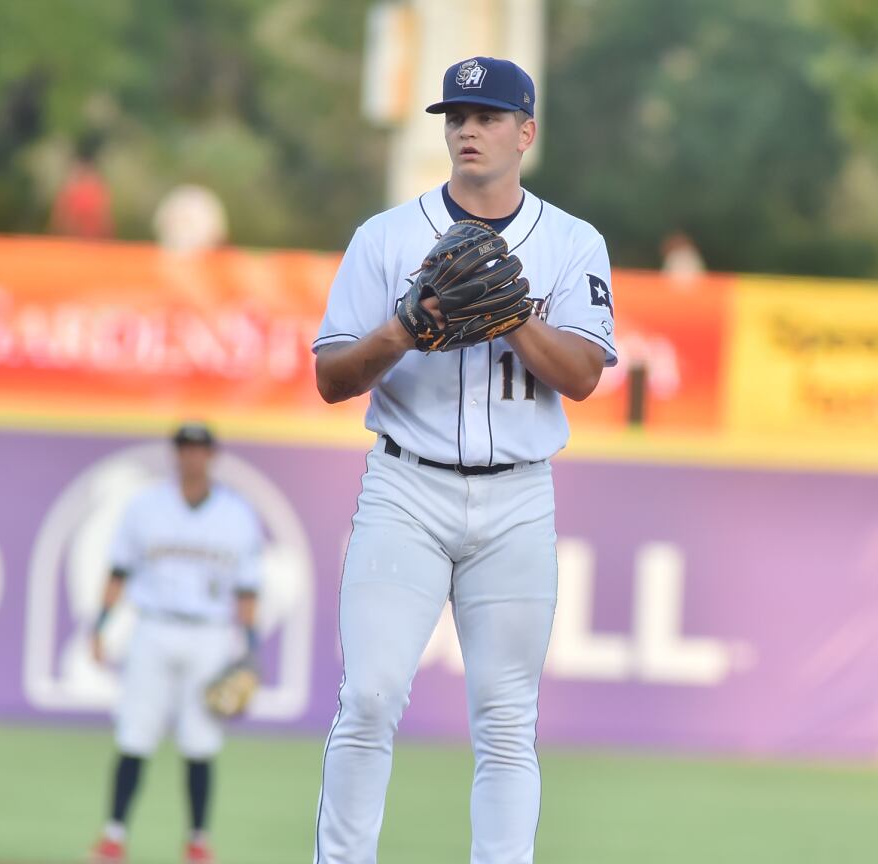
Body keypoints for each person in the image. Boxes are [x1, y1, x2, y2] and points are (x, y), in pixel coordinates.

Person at [310, 57, 617, 864]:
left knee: (508, 717)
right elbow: (331, 377)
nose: (467, 129)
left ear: (526, 132)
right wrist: (405, 327)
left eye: (485, 116)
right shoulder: (386, 237)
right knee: (369, 699)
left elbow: (583, 377)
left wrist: (513, 315)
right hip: (405, 486)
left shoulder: (573, 242)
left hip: (517, 498)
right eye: (456, 116)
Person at [89, 423, 263, 864]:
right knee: (134, 733)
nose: (192, 457)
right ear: (176, 454)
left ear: (212, 455)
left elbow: (247, 591)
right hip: (154, 628)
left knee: (201, 742)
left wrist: (250, 650)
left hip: (208, 634)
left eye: (200, 449)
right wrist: (101, 625)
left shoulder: (236, 515)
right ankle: (113, 835)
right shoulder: (146, 507)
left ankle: (198, 841)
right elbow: (119, 571)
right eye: (186, 448)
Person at [51, 145, 114, 239]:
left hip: (89, 228)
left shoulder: (93, 183)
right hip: (78, 228)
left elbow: (103, 212)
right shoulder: (76, 182)